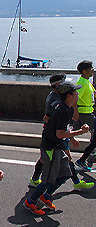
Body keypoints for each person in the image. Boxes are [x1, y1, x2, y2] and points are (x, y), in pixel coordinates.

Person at [23, 81, 90, 215]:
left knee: (66, 174)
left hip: (58, 146)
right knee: (48, 179)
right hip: (51, 148)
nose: (78, 94)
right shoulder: (62, 110)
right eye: (75, 92)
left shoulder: (67, 107)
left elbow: (62, 128)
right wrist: (80, 133)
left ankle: (46, 197)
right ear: (69, 95)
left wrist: (71, 138)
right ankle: (30, 202)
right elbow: (60, 134)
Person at [29, 74, 94, 190]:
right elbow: (49, 119)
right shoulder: (55, 101)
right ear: (59, 86)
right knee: (56, 161)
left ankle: (74, 181)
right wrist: (73, 135)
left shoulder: (61, 100)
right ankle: (37, 193)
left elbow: (73, 118)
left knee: (63, 158)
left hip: (58, 134)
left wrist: (73, 105)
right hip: (53, 136)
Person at [74, 60, 96, 171]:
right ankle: (84, 158)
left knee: (71, 133)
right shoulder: (82, 83)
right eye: (91, 69)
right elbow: (75, 99)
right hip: (84, 113)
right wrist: (76, 113)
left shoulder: (87, 81)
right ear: (84, 71)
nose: (93, 70)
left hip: (89, 111)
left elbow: (93, 93)